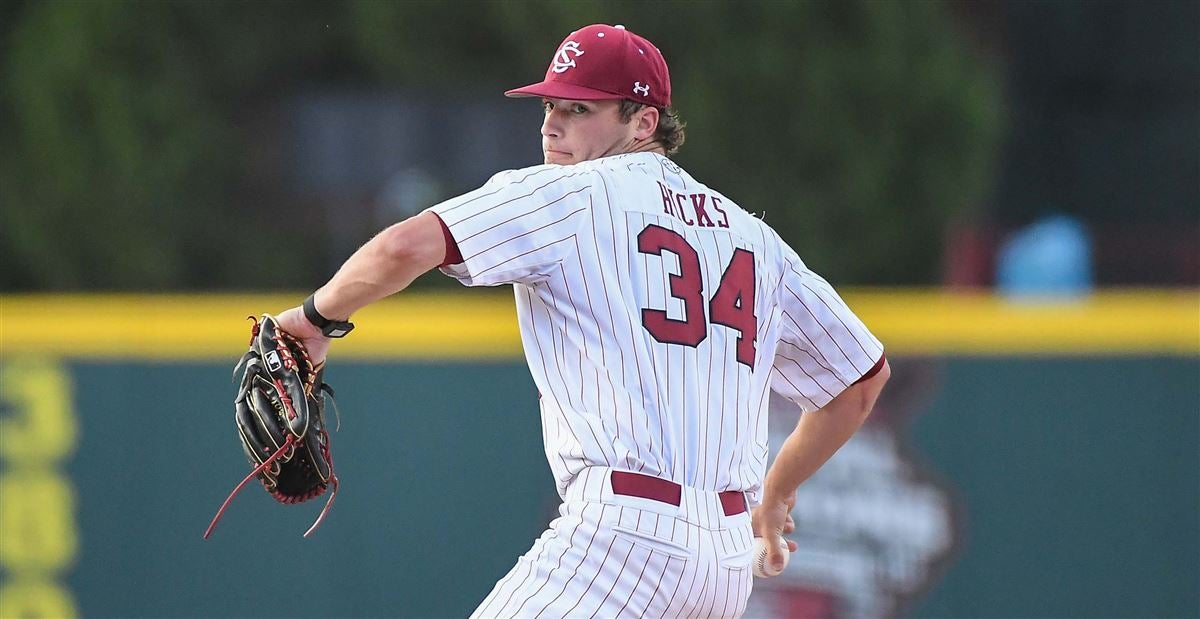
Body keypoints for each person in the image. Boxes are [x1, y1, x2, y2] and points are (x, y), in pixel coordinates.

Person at [275, 23, 889, 618]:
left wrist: (314, 319)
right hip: (725, 566)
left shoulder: (573, 196)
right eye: (548, 108)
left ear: (644, 121)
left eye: (578, 109)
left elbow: (405, 247)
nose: (551, 127)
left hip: (622, 542)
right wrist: (776, 493)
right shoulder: (756, 240)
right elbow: (859, 381)